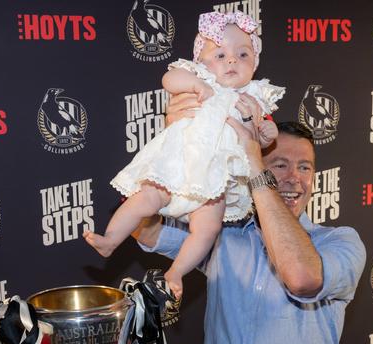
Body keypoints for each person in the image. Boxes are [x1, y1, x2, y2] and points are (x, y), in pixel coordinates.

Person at [133, 109, 367, 344]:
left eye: (304, 167)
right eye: (280, 165)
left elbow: (301, 278)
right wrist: (180, 142)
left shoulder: (340, 242)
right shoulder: (224, 235)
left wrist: (257, 169)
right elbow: (145, 229)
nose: (294, 178)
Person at [83, 11, 284, 299]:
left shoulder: (254, 95)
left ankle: (175, 272)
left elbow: (266, 126)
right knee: (147, 199)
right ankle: (110, 240)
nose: (231, 61)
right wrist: (195, 85)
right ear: (200, 61)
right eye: (220, 55)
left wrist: (267, 134)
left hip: (216, 178)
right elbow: (170, 78)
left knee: (208, 228)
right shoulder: (199, 79)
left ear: (256, 62)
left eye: (243, 54)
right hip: (178, 162)